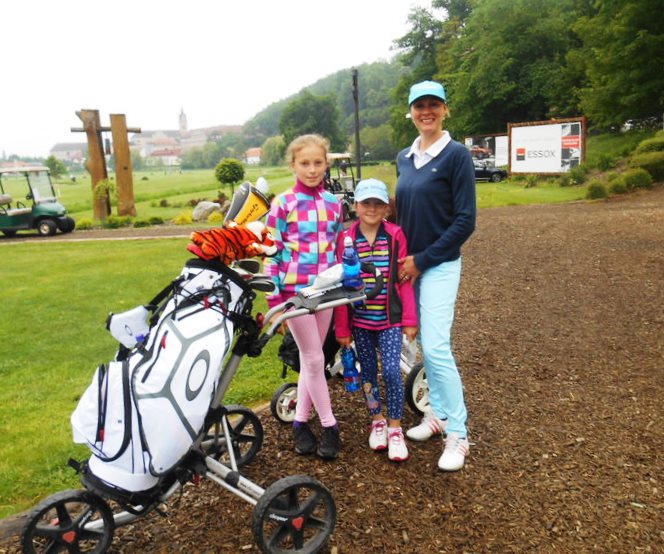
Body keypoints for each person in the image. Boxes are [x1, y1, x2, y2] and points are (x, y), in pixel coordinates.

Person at [395, 80, 476, 471]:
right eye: (419, 105)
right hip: (410, 267)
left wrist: (422, 260)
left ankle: (458, 433)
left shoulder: (456, 155)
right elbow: (403, 213)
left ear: (445, 109)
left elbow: (465, 221)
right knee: (426, 344)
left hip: (438, 264)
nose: (426, 111)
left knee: (438, 347)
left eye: (433, 104)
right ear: (411, 112)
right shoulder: (404, 157)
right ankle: (439, 414)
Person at [264, 134, 344, 460]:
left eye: (317, 163)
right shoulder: (282, 204)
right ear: (293, 165)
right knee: (313, 359)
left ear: (326, 164)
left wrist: (346, 277)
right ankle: (329, 425)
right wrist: (274, 301)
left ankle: (299, 422)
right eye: (305, 163)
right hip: (294, 293)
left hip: (326, 290)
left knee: (314, 358)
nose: (312, 169)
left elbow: (338, 248)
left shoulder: (334, 203)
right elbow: (271, 252)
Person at [335, 178, 418, 462]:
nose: (371, 208)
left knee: (392, 372)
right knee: (368, 373)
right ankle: (377, 420)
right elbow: (341, 286)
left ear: (386, 208)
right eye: (366, 203)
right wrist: (342, 327)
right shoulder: (346, 239)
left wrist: (410, 319)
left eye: (378, 203)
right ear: (356, 206)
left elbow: (403, 280)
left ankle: (395, 427)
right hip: (360, 322)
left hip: (389, 320)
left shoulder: (395, 236)